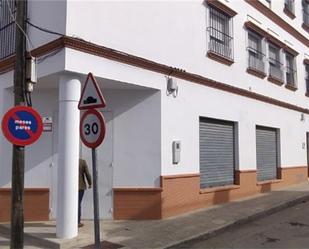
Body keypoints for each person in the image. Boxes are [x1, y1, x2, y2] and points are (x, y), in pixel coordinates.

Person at [78, 158, 92, 228]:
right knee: (78, 204)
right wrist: (90, 183)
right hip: (80, 187)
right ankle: (77, 222)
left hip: (69, 187)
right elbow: (87, 173)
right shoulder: (82, 162)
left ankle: (69, 221)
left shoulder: (68, 160)